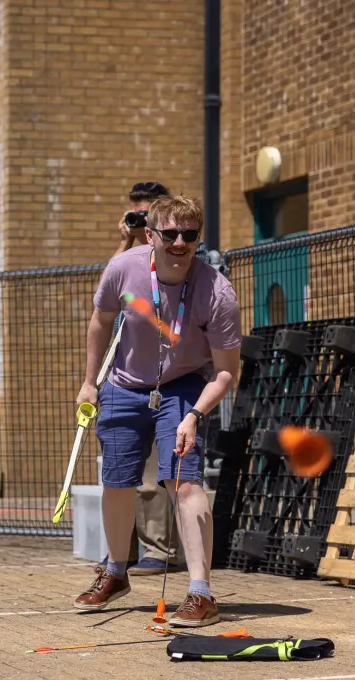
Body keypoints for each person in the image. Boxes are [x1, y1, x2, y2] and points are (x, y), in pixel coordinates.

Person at [74, 195, 241, 627]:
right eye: (170, 234)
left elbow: (225, 373)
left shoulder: (217, 292)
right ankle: (115, 571)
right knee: (117, 481)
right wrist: (90, 383)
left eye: (190, 235)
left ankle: (201, 592)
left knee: (184, 482)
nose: (181, 242)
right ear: (150, 235)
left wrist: (194, 414)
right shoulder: (124, 268)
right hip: (125, 385)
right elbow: (100, 321)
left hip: (184, 384)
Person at [95, 181, 184, 578]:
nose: (140, 221)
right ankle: (119, 553)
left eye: (146, 215)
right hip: (126, 374)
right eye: (136, 215)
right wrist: (126, 241)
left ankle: (158, 549)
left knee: (153, 476)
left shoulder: (174, 250)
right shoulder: (127, 257)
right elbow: (104, 301)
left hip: (164, 376)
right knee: (119, 475)